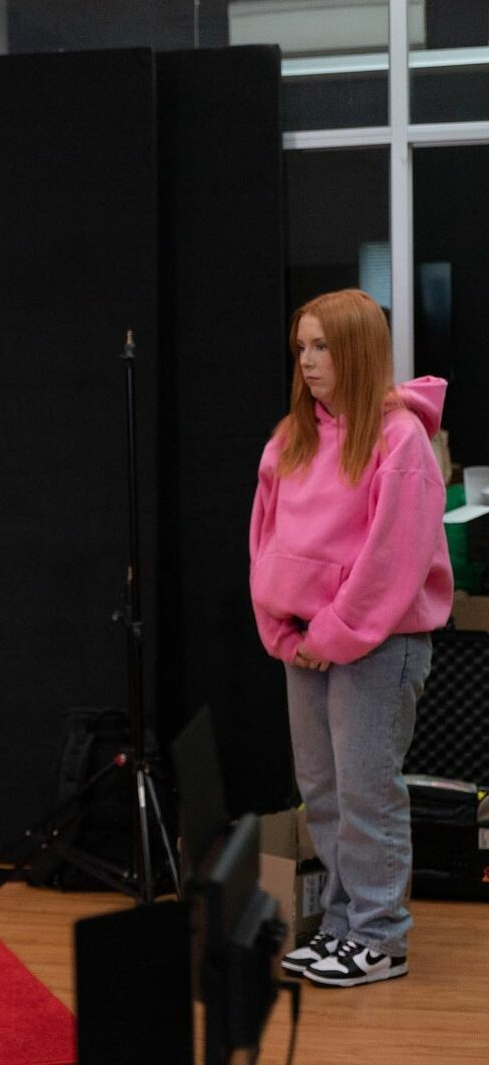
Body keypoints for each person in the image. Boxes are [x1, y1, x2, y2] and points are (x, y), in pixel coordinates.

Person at [249, 288, 452, 988]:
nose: (307, 361)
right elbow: (264, 543)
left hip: (377, 645)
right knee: (324, 792)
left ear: (358, 351)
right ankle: (341, 926)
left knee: (367, 792)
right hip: (304, 646)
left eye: (323, 346)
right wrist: (283, 632)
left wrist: (330, 635)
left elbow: (392, 562)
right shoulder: (290, 438)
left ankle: (379, 936)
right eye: (301, 347)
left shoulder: (402, 441)